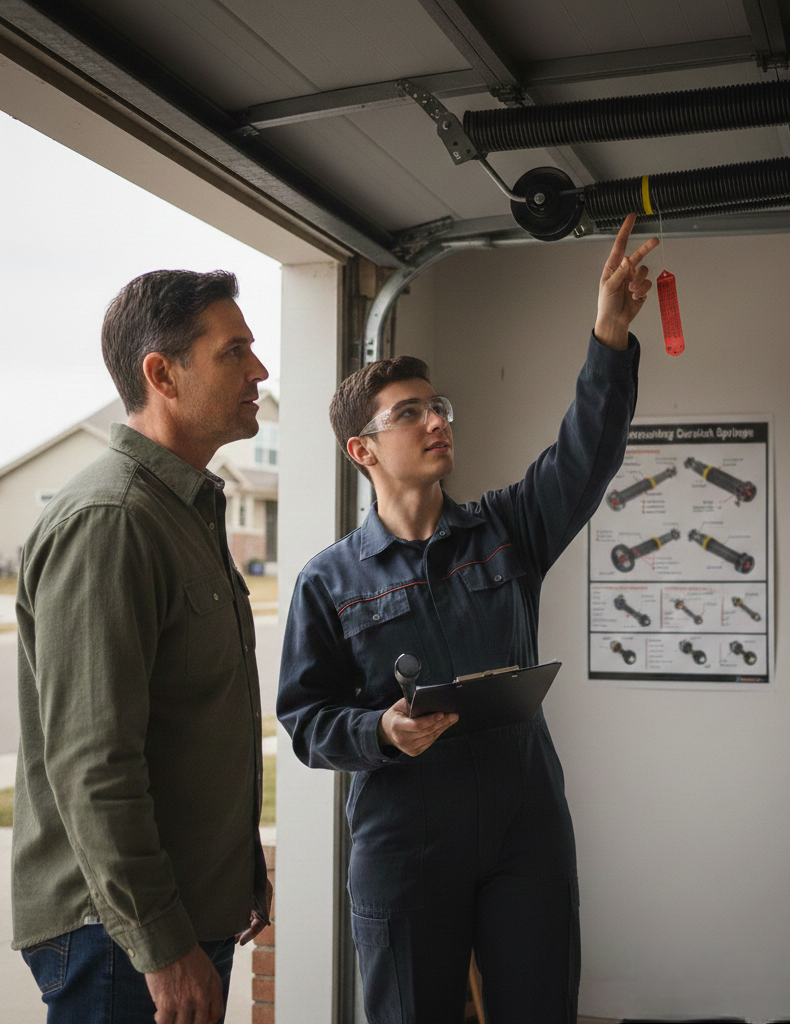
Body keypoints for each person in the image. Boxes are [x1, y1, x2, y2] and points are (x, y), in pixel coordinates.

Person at [277, 216, 657, 1023]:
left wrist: (609, 336)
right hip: (405, 842)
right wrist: (380, 732)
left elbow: (587, 452)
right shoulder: (328, 581)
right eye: (410, 413)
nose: (437, 420)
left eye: (438, 406)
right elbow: (307, 722)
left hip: (526, 829)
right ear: (362, 451)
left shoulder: (507, 529)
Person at [13, 270, 273, 1024]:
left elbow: (192, 724)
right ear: (161, 373)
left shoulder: (182, 509)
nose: (259, 371)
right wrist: (160, 945)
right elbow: (94, 762)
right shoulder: (112, 518)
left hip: (178, 918)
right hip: (120, 939)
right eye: (235, 353)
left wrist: (237, 874)